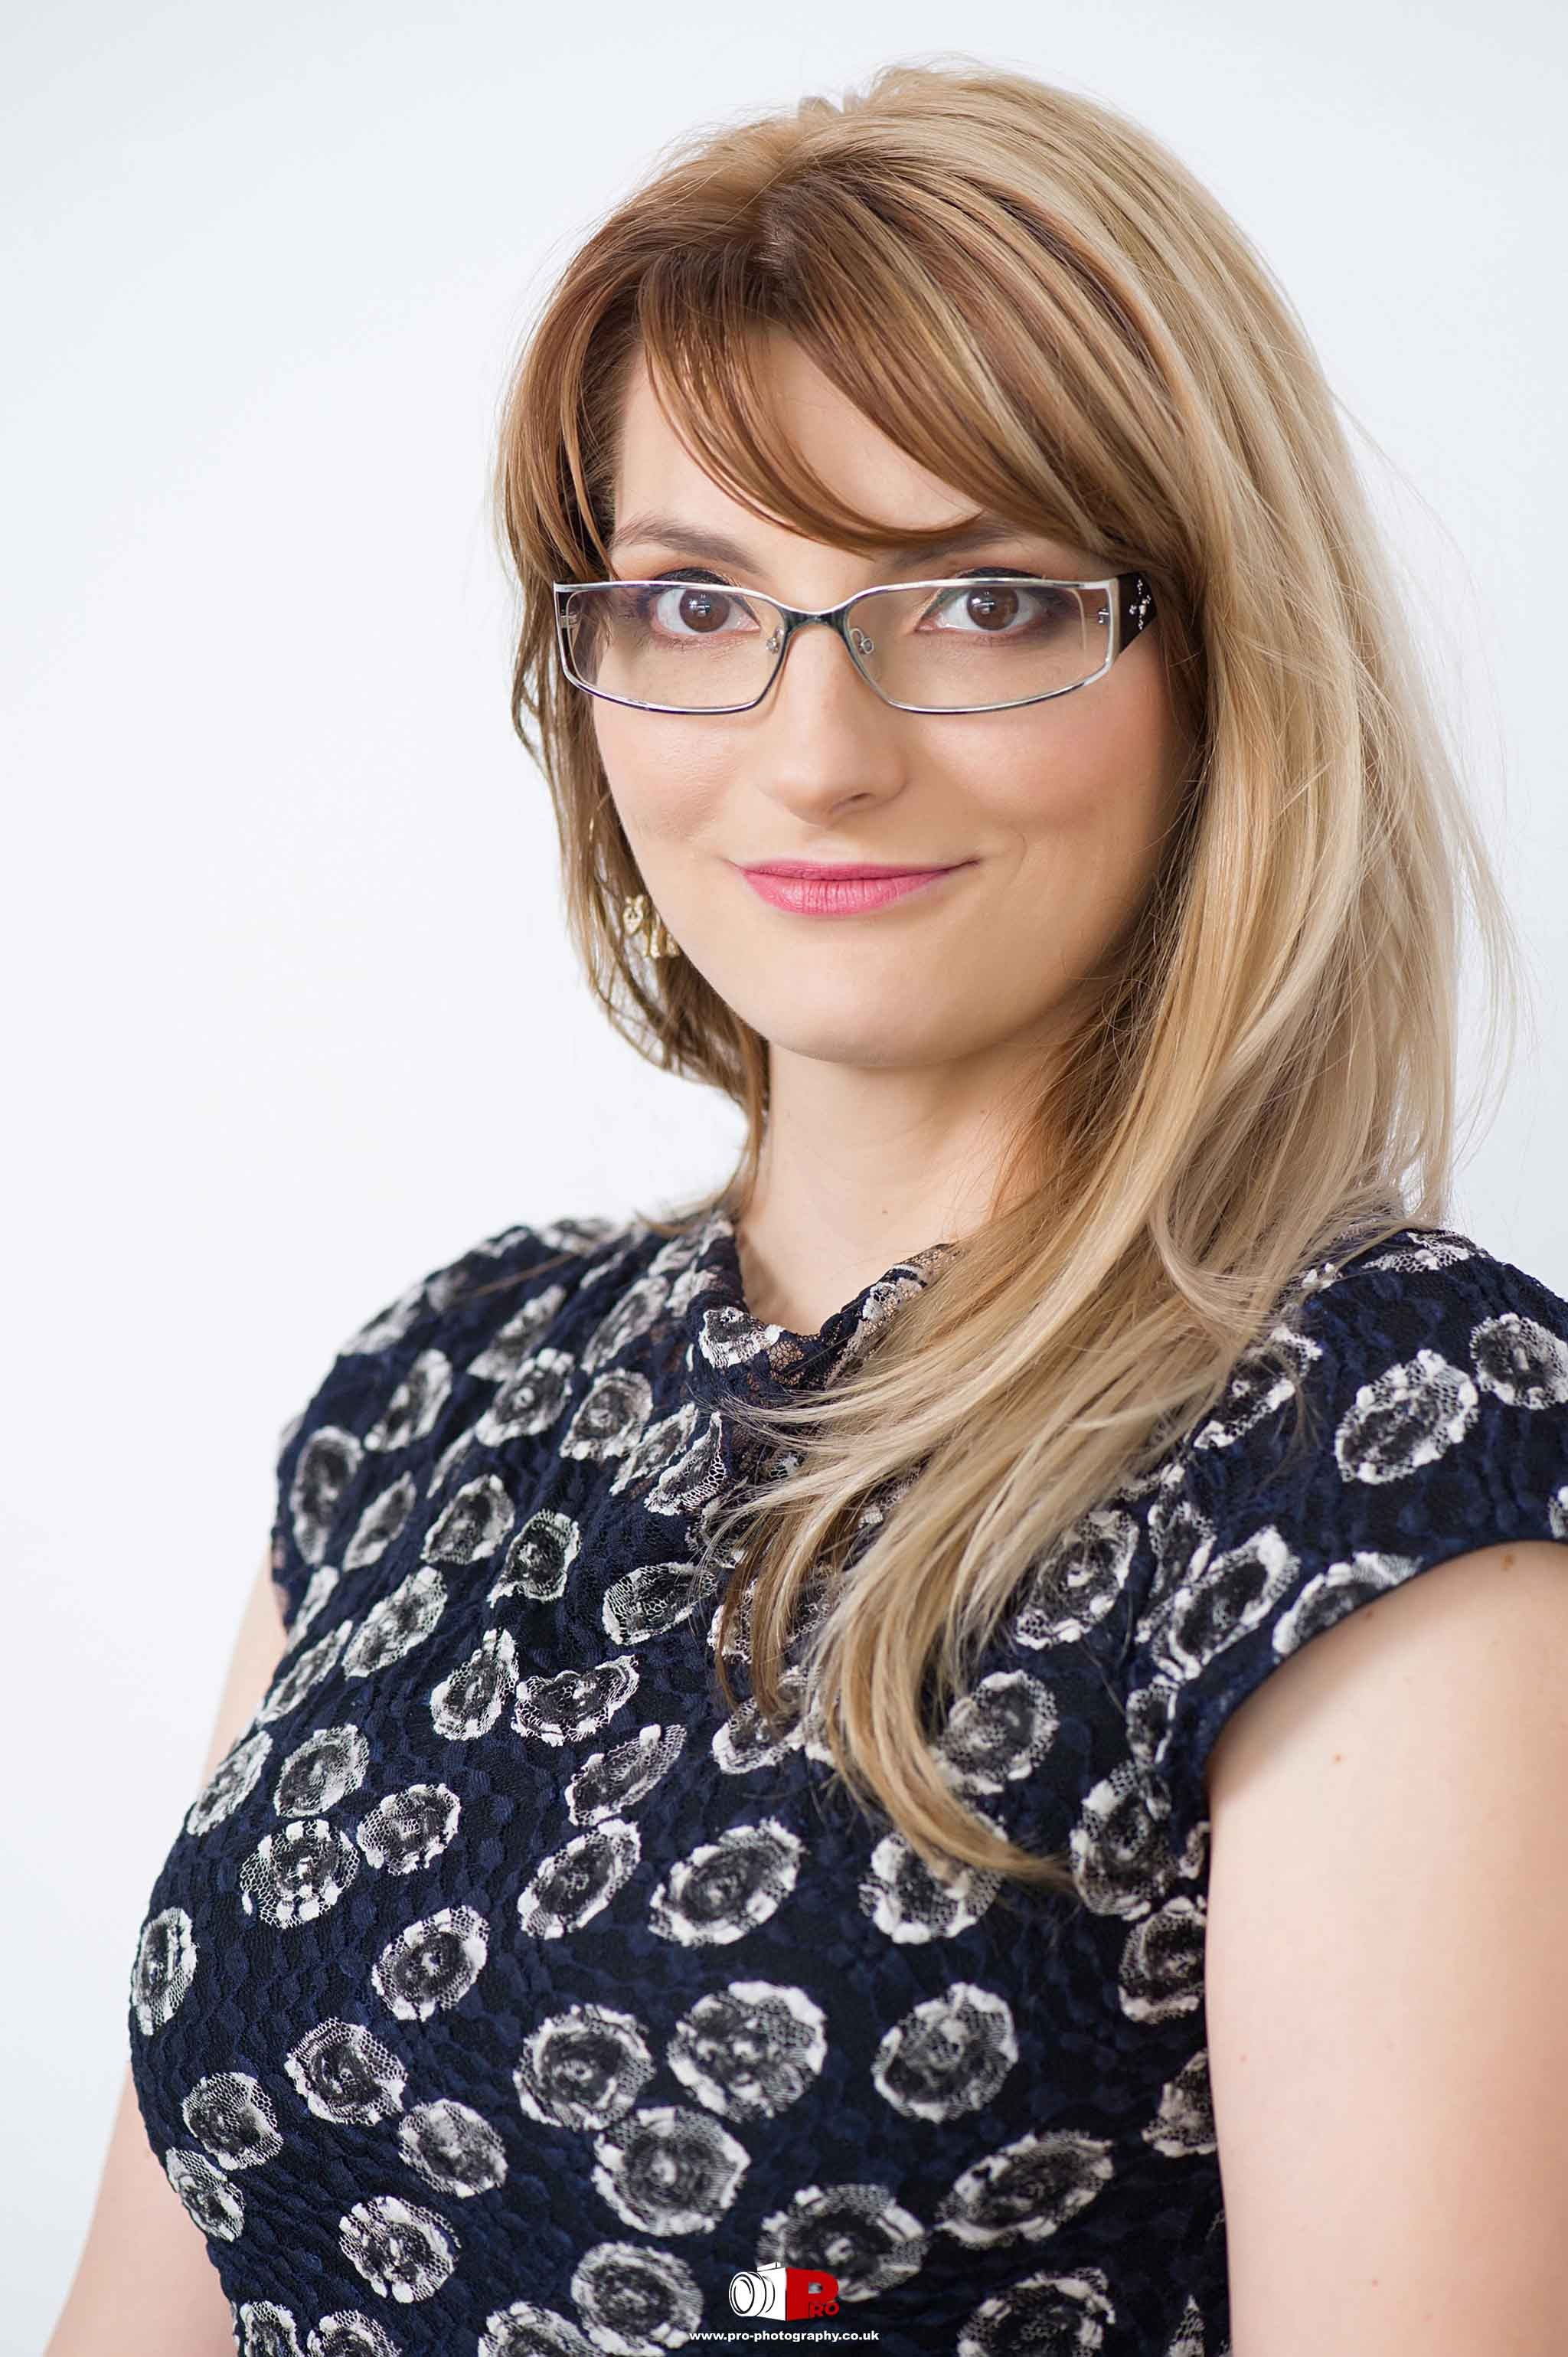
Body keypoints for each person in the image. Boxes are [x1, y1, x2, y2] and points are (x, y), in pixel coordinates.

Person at [48, 57, 1568, 2357]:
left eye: (975, 599)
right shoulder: (433, 1388)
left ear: (1213, 670)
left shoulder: (1385, 1437)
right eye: (693, 602)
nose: (819, 746)